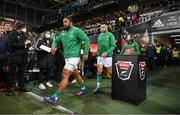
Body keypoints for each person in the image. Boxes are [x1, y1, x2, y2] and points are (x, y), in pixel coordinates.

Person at [44, 16, 90, 105]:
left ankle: (54, 97)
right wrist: (53, 45)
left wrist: (86, 53)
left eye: (65, 22)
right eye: (63, 22)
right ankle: (83, 88)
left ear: (70, 22)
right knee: (76, 74)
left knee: (65, 74)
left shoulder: (77, 30)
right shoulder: (63, 32)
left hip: (74, 57)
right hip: (67, 58)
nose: (64, 24)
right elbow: (56, 40)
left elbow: (86, 40)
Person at [6, 23, 30, 93]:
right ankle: (9, 90)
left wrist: (29, 47)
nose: (25, 29)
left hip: (23, 57)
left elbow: (26, 44)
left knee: (21, 73)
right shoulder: (11, 34)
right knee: (11, 73)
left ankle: (21, 87)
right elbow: (11, 44)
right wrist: (23, 44)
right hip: (14, 57)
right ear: (20, 28)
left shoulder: (24, 35)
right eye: (24, 28)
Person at [93, 23, 116, 94]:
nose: (102, 28)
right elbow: (99, 46)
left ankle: (117, 84)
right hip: (100, 57)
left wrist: (107, 52)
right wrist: (97, 54)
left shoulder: (110, 35)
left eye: (103, 27)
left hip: (108, 57)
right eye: (101, 27)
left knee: (110, 72)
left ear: (107, 27)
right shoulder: (99, 36)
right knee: (99, 71)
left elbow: (113, 46)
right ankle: (98, 87)